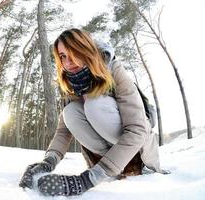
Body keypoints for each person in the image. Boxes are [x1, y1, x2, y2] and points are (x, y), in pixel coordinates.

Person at [19, 28, 167, 196]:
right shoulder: (72, 83)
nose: (68, 62)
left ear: (86, 49)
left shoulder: (114, 69)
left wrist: (86, 181)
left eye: (73, 52)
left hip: (138, 150)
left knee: (94, 104)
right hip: (107, 154)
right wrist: (48, 162)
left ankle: (134, 166)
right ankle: (113, 166)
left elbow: (137, 129)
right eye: (63, 56)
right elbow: (63, 130)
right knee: (70, 113)